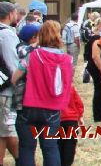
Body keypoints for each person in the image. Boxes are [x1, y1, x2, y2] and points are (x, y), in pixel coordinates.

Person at [12, 20, 73, 166]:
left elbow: (15, 78)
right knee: (50, 148)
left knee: (26, 148)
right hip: (52, 109)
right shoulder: (67, 60)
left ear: (40, 35)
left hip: (29, 106)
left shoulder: (32, 56)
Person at [0, 2, 20, 165]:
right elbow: (12, 62)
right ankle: (22, 159)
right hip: (5, 88)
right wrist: (18, 84)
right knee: (7, 129)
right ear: (9, 14)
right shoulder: (7, 34)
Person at [86, 18, 101, 122]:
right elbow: (96, 56)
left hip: (98, 66)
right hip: (96, 67)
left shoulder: (99, 37)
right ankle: (98, 115)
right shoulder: (97, 38)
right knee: (100, 90)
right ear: (99, 26)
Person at [58, 85, 84, 166]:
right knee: (70, 146)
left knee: (57, 145)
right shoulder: (70, 87)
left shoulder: (51, 87)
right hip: (71, 120)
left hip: (57, 120)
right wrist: (80, 116)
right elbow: (78, 103)